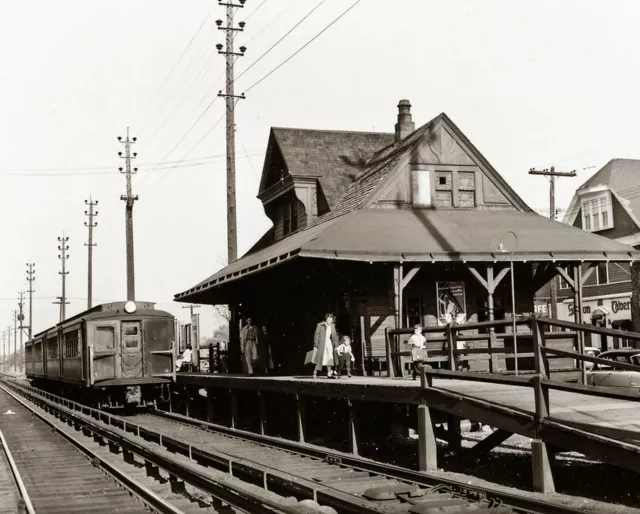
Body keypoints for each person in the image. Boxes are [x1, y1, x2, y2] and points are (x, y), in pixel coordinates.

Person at [312, 313, 337, 379]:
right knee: (319, 357)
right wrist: (315, 345)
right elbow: (316, 335)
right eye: (329, 319)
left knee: (329, 357)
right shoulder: (320, 325)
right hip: (321, 343)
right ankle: (315, 372)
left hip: (329, 343)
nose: (330, 321)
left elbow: (334, 336)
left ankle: (329, 374)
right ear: (326, 319)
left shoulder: (332, 326)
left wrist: (336, 345)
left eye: (331, 320)